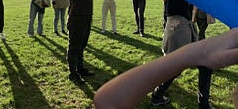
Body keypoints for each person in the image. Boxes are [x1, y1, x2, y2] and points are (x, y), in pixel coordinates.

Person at [93, 28, 238, 109]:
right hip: (179, 25)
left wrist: (194, 53)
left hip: (185, 25)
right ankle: (159, 94)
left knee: (180, 68)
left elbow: (108, 101)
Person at [149, 0, 213, 108]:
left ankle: (203, 104)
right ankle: (157, 95)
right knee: (177, 66)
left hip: (186, 25)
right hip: (178, 26)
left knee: (205, 64)